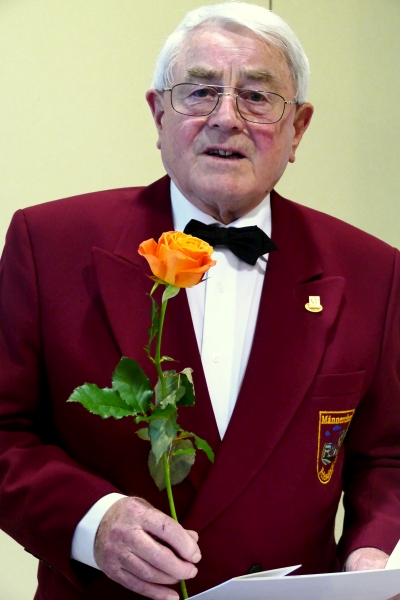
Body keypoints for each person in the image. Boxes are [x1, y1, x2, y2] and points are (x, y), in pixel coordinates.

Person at [0, 2, 399, 600]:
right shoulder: (50, 244)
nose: (226, 118)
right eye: (200, 92)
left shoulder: (372, 270)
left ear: (298, 129)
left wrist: (376, 551)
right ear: (158, 114)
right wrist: (92, 523)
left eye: (257, 97)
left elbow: (387, 457)